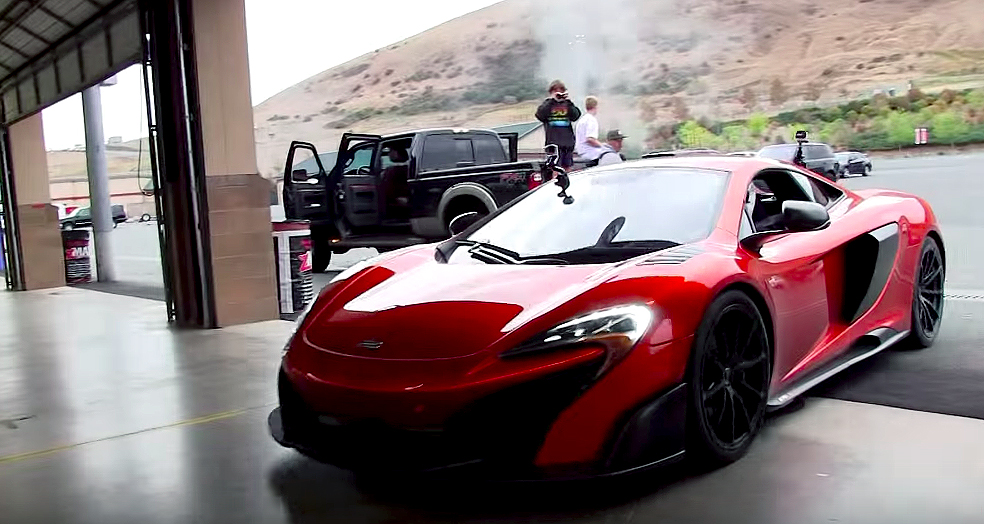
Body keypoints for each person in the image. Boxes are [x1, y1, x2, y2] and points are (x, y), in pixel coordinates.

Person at [535, 80, 581, 169]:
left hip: (567, 142)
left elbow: (575, 116)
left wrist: (568, 102)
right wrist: (552, 100)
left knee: (567, 167)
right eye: (556, 91)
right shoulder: (547, 104)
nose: (558, 93)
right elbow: (540, 115)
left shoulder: (567, 104)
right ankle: (555, 182)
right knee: (555, 168)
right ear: (551, 92)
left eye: (561, 91)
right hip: (553, 143)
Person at [575, 96, 605, 166]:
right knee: (608, 154)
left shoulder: (582, 120)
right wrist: (603, 146)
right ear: (596, 106)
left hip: (581, 151)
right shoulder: (591, 120)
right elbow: (590, 139)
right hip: (590, 153)